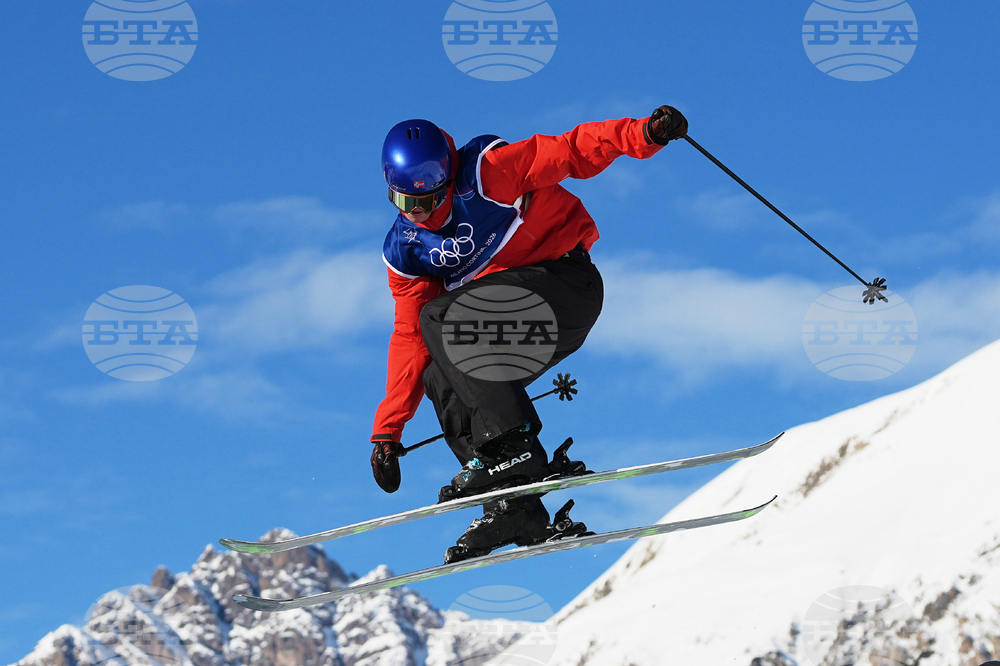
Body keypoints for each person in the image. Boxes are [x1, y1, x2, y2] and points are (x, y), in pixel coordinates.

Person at [369, 106, 689, 563]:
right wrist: (388, 429)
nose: (419, 214)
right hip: (514, 323)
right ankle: (515, 506)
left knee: (439, 318)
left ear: (447, 179)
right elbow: (407, 337)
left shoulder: (488, 174)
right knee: (440, 374)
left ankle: (514, 446)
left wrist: (643, 134)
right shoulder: (408, 249)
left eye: (429, 201)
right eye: (405, 203)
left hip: (565, 287)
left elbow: (572, 149)